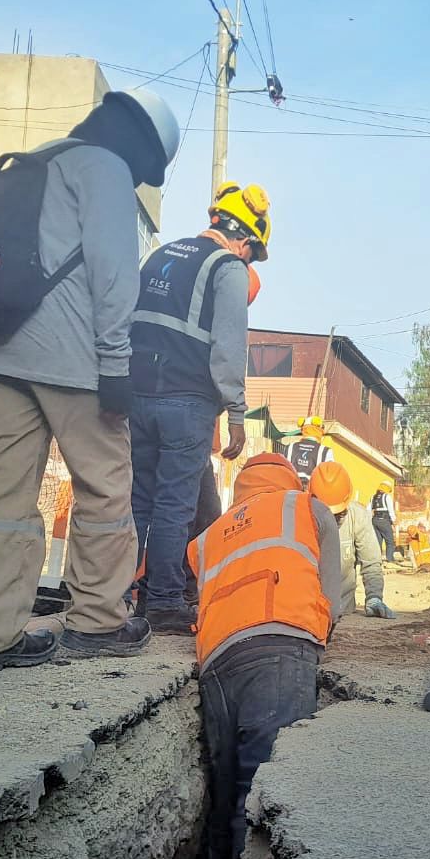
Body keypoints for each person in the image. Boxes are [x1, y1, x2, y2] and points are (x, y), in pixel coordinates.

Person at [0, 87, 179, 672]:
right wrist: (114, 364)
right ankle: (98, 622)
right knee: (104, 487)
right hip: (72, 358)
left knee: (3, 496)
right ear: (143, 150)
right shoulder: (103, 167)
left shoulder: (42, 158)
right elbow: (112, 275)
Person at [187, 453, 344, 859]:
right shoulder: (306, 508)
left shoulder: (211, 534)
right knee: (264, 790)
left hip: (216, 661)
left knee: (225, 791)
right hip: (280, 646)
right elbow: (331, 595)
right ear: (286, 479)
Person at [127, 182, 270, 634]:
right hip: (186, 401)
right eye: (252, 254)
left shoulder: (159, 255)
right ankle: (165, 600)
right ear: (244, 241)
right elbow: (228, 347)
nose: (248, 261)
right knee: (174, 503)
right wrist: (236, 413)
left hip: (134, 395)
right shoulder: (226, 267)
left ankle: (115, 593)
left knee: (136, 501)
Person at [310, 462, 395, 619]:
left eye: (338, 514)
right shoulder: (300, 516)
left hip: (343, 610)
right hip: (307, 609)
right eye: (325, 513)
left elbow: (371, 561)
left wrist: (374, 597)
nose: (332, 520)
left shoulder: (358, 516)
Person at [284, 415, 333, 485]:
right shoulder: (326, 452)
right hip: (313, 494)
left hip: (289, 493)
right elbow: (330, 477)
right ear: (319, 430)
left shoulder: (289, 448)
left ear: (303, 429)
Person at [369, 478, 397, 562]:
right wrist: (394, 522)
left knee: (378, 541)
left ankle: (377, 560)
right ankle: (390, 559)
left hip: (374, 521)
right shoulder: (387, 497)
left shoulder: (373, 497)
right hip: (384, 521)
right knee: (390, 541)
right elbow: (391, 511)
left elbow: (368, 510)